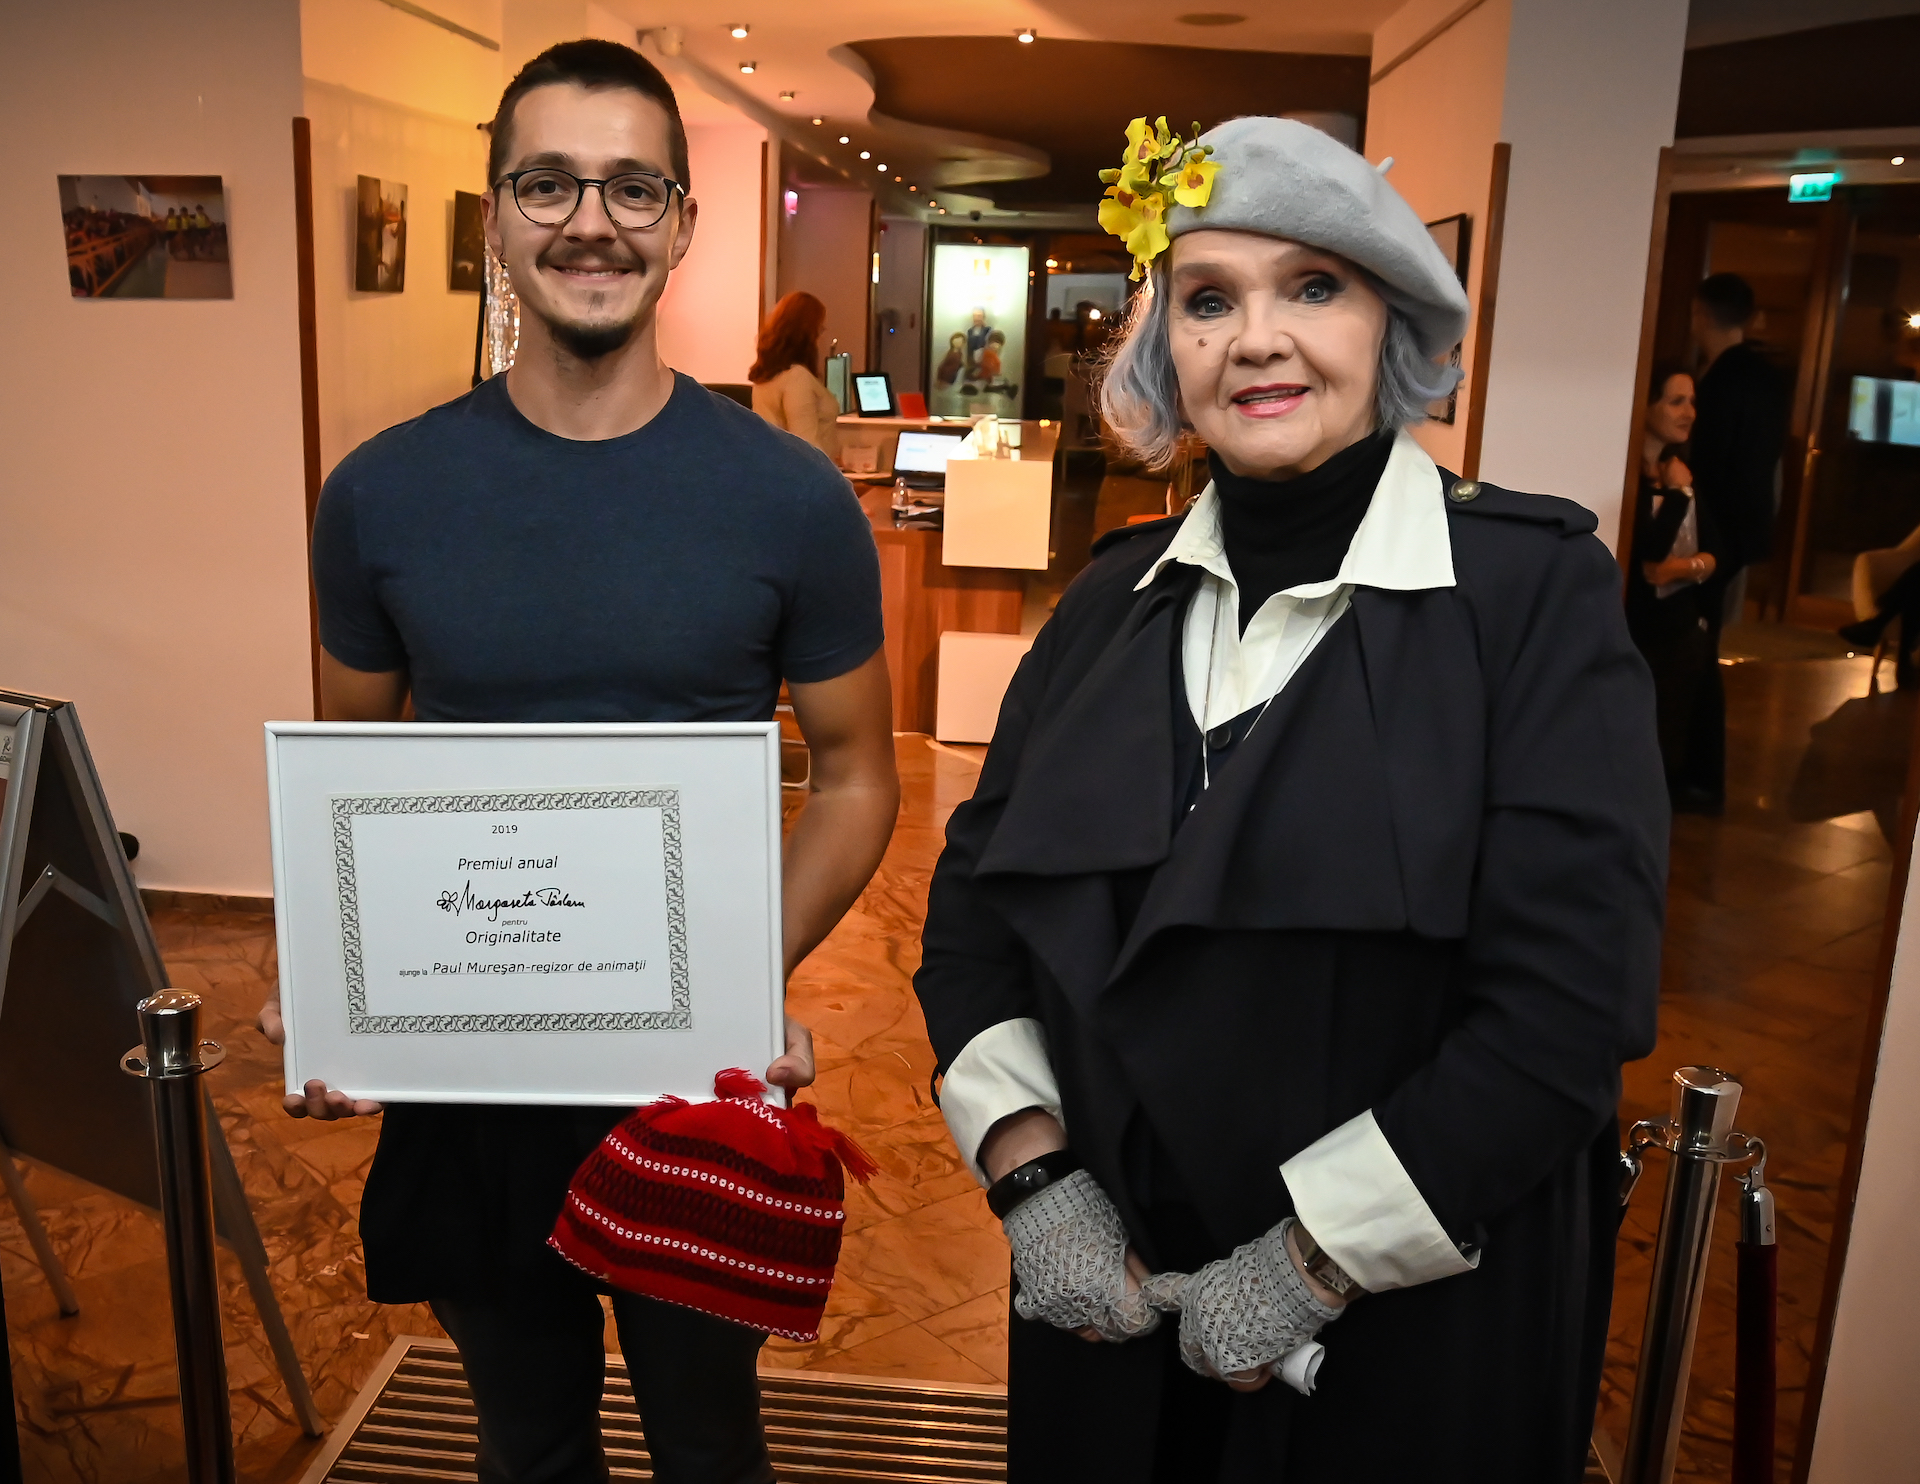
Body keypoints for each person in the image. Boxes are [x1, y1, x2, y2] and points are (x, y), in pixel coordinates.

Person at [913, 116, 1665, 1483]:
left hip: (1405, 1341)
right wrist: (1033, 1177)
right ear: (1165, 345)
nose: (1257, 339)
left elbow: (1568, 1006)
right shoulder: (1104, 603)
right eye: (1209, 300)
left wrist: (1317, 1256)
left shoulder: (1531, 594)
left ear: (1391, 323)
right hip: (1110, 1315)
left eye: (1313, 287)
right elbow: (973, 926)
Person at [258, 39, 899, 1484]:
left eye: (630, 188)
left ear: (682, 222)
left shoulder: (789, 500)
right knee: (527, 1438)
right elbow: (352, 779)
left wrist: (739, 972)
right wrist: (343, 987)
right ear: (495, 216)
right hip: (470, 1075)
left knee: (708, 1443)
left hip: (688, 1082)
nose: (590, 221)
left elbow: (860, 774)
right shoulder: (380, 495)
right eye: (547, 184)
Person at [1679, 272, 1787, 807]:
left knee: (1695, 646)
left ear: (1701, 314)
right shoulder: (1769, 377)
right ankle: (1699, 773)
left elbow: (1713, 467)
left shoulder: (1719, 382)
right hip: (1744, 528)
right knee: (1705, 641)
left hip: (1715, 530)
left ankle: (1699, 775)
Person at [1627, 367, 1721, 807]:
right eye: (1676, 401)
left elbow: (1717, 552)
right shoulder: (1633, 474)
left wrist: (1685, 568)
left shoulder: (1679, 468)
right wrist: (1679, 495)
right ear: (1646, 405)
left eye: (1692, 402)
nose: (1689, 412)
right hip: (1639, 628)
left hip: (1679, 625)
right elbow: (1649, 552)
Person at [748, 290, 841, 459]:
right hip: (806, 471)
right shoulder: (797, 378)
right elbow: (806, 444)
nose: (821, 337)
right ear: (807, 333)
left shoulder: (767, 375)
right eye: (819, 329)